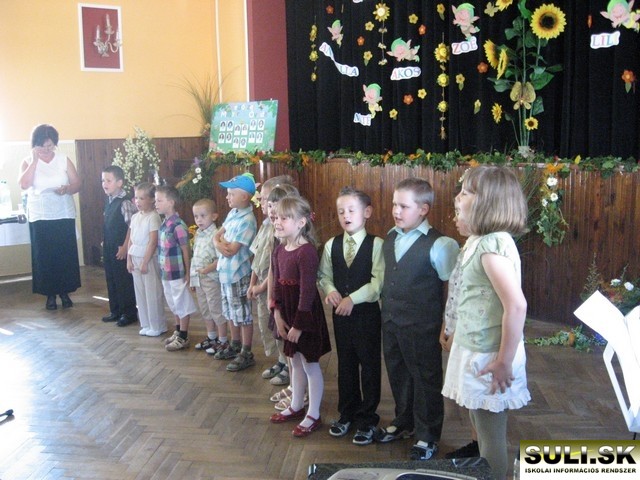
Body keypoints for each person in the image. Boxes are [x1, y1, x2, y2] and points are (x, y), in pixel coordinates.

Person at [442, 165, 530, 480]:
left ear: (487, 203)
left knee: (491, 436)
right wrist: (454, 329)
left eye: (466, 192)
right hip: (475, 348)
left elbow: (516, 306)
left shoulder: (492, 247)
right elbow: (469, 295)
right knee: (479, 422)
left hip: (490, 356)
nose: (458, 197)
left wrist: (504, 362)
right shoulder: (478, 241)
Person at [375, 177, 459, 461]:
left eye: (403, 206)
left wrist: (448, 324)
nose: (396, 211)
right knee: (398, 372)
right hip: (391, 321)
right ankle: (404, 421)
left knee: (425, 378)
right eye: (394, 205)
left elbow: (453, 289)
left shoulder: (441, 244)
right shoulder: (390, 236)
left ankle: (428, 434)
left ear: (423, 209)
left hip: (423, 325)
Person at [318, 187, 384, 446]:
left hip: (367, 315)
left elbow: (377, 283)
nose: (345, 216)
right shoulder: (331, 245)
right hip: (341, 317)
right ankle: (347, 412)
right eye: (341, 211)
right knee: (345, 364)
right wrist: (331, 290)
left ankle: (368, 418)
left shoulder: (377, 245)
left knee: (369, 365)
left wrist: (352, 299)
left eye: (351, 210)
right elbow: (324, 276)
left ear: (366, 212)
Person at [269, 196, 331, 437]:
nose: (278, 222)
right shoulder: (279, 250)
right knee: (293, 361)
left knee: (309, 363)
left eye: (284, 218)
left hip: (304, 316)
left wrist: (298, 325)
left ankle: (313, 413)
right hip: (286, 312)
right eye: (276, 217)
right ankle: (296, 405)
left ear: (301, 222)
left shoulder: (306, 252)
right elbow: (276, 286)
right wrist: (277, 314)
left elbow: (307, 292)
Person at [18, 124, 81, 310]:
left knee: (64, 254)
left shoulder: (63, 159)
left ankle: (65, 292)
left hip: (63, 213)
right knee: (45, 256)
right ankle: (50, 295)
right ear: (35, 145)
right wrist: (34, 161)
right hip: (41, 215)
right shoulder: (27, 161)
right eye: (43, 146)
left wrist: (66, 189)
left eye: (50, 145)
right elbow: (24, 184)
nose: (47, 149)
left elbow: (77, 184)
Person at [248, 175, 295, 382]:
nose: (265, 203)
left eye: (268, 199)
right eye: (264, 199)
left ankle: (288, 364)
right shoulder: (266, 226)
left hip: (273, 288)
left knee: (280, 325)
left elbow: (274, 268)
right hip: (262, 288)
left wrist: (261, 287)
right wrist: (253, 283)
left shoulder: (281, 232)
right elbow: (258, 258)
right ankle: (281, 360)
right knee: (269, 327)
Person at [213, 173, 258, 371]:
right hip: (225, 272)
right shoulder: (233, 213)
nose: (227, 196)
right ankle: (235, 344)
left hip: (238, 274)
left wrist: (220, 243)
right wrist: (219, 243)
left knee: (243, 314)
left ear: (244, 197)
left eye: (231, 193)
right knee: (230, 312)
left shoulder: (247, 220)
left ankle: (246, 352)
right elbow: (216, 236)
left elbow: (231, 250)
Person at [155, 185, 197, 351]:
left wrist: (187, 272)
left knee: (181, 302)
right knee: (173, 302)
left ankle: (184, 336)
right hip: (166, 272)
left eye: (159, 200)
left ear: (171, 202)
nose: (156, 204)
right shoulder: (164, 223)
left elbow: (186, 249)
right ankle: (178, 330)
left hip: (177, 272)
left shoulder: (178, 225)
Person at [101, 165, 138, 326]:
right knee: (111, 279)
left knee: (123, 280)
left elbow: (131, 226)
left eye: (108, 180)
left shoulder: (125, 203)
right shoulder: (109, 200)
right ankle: (115, 310)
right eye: (103, 180)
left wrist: (125, 247)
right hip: (109, 247)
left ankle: (128, 313)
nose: (104, 184)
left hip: (121, 248)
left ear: (119, 183)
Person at [126, 182, 165, 337]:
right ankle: (146, 323)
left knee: (152, 292)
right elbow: (130, 239)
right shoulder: (135, 217)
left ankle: (157, 325)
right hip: (135, 255)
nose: (138, 201)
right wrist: (129, 259)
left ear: (151, 200)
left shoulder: (153, 217)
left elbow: (153, 241)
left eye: (142, 198)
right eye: (136, 198)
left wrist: (145, 261)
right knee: (140, 292)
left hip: (148, 257)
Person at [190, 198, 227, 354]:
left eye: (203, 216)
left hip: (212, 279)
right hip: (199, 278)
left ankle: (223, 340)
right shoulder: (198, 234)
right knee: (205, 309)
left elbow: (221, 259)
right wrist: (192, 279)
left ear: (214, 216)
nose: (199, 220)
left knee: (215, 309)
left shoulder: (216, 235)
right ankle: (211, 337)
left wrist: (207, 269)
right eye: (196, 216)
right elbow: (194, 257)